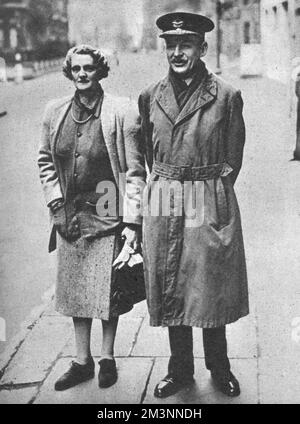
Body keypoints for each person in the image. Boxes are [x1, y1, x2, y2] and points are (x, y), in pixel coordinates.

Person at [139, 12, 249, 398]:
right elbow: (148, 154)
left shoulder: (226, 95)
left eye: (186, 45)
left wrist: (210, 191)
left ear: (202, 48)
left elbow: (234, 157)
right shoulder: (150, 96)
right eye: (171, 45)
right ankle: (180, 370)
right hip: (166, 199)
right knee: (172, 286)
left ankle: (219, 368)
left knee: (210, 286)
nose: (177, 52)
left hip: (208, 197)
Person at [38, 45, 145, 391]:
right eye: (77, 69)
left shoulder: (121, 111)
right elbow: (45, 161)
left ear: (99, 71)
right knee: (75, 294)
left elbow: (134, 172)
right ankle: (82, 361)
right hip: (68, 219)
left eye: (89, 68)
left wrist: (132, 223)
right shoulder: (54, 112)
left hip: (107, 216)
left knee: (107, 292)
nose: (83, 74)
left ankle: (107, 358)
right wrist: (55, 203)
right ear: (69, 73)